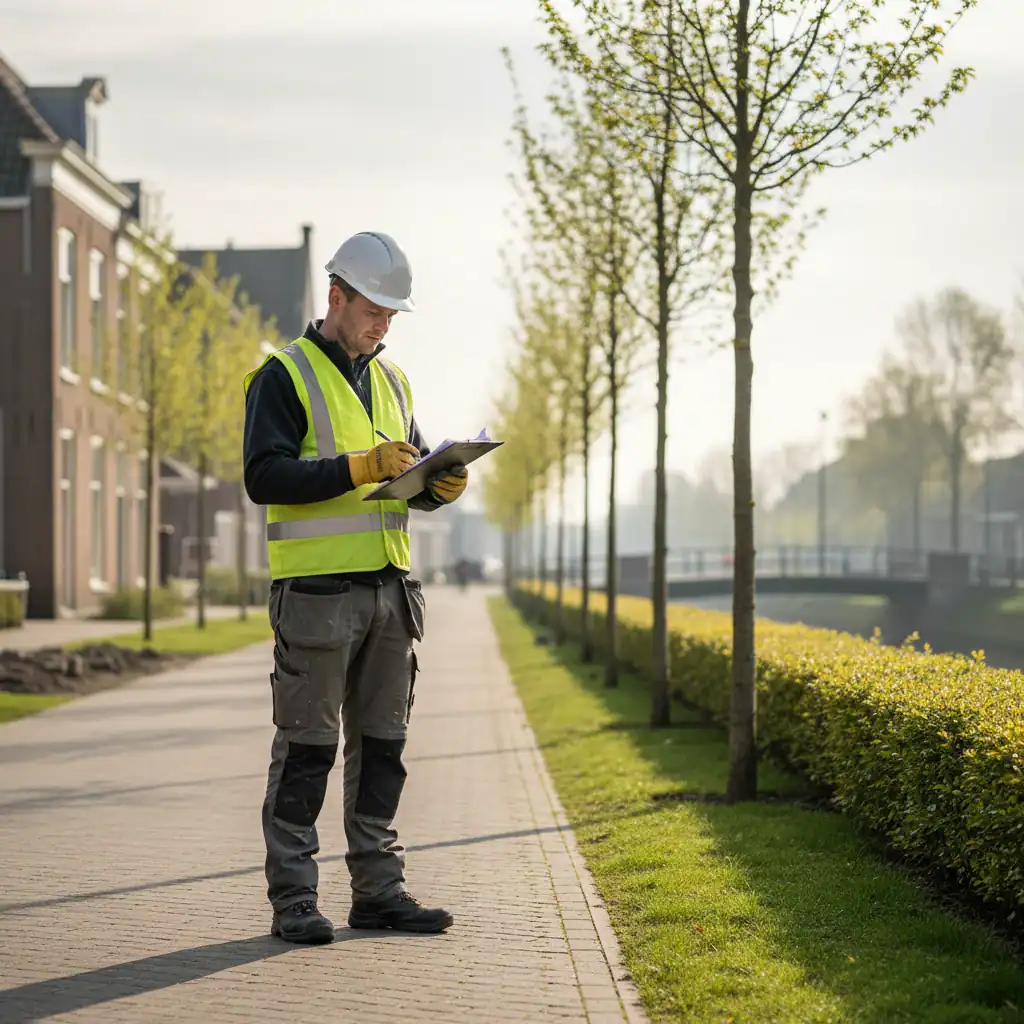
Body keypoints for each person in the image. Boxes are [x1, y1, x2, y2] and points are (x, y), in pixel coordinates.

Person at [242, 231, 469, 944]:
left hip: (390, 595)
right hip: (316, 597)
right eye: (375, 310)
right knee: (307, 752)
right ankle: (295, 901)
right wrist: (357, 465)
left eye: (393, 316)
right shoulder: (283, 374)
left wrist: (439, 485)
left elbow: (400, 478)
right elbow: (265, 477)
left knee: (383, 749)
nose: (383, 325)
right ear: (336, 296)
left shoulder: (394, 381)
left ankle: (379, 892)